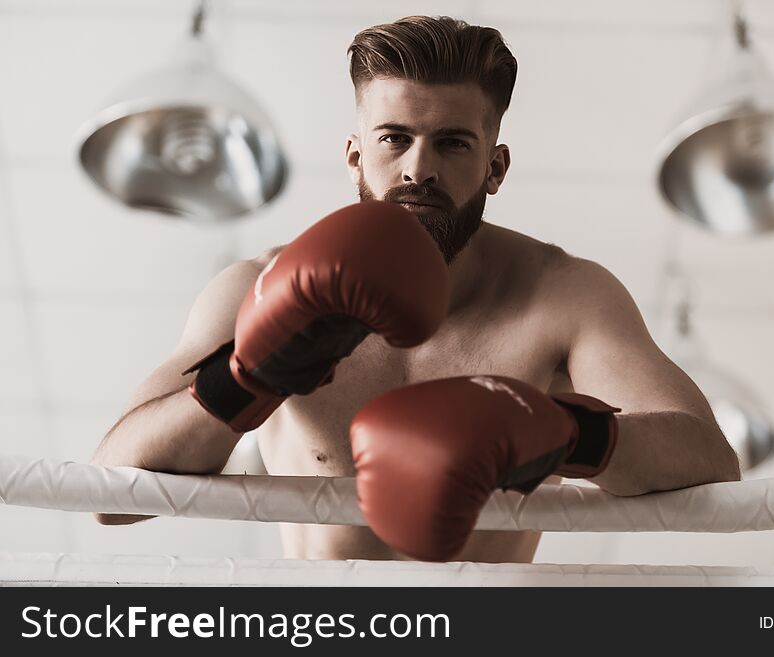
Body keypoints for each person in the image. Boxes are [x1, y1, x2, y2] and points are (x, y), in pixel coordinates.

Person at [92, 15, 741, 563]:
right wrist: (250, 378)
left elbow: (712, 463)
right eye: (394, 138)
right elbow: (109, 495)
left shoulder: (565, 296)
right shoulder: (254, 286)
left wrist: (567, 432)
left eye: (452, 143)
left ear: (496, 166)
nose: (419, 168)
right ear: (354, 157)